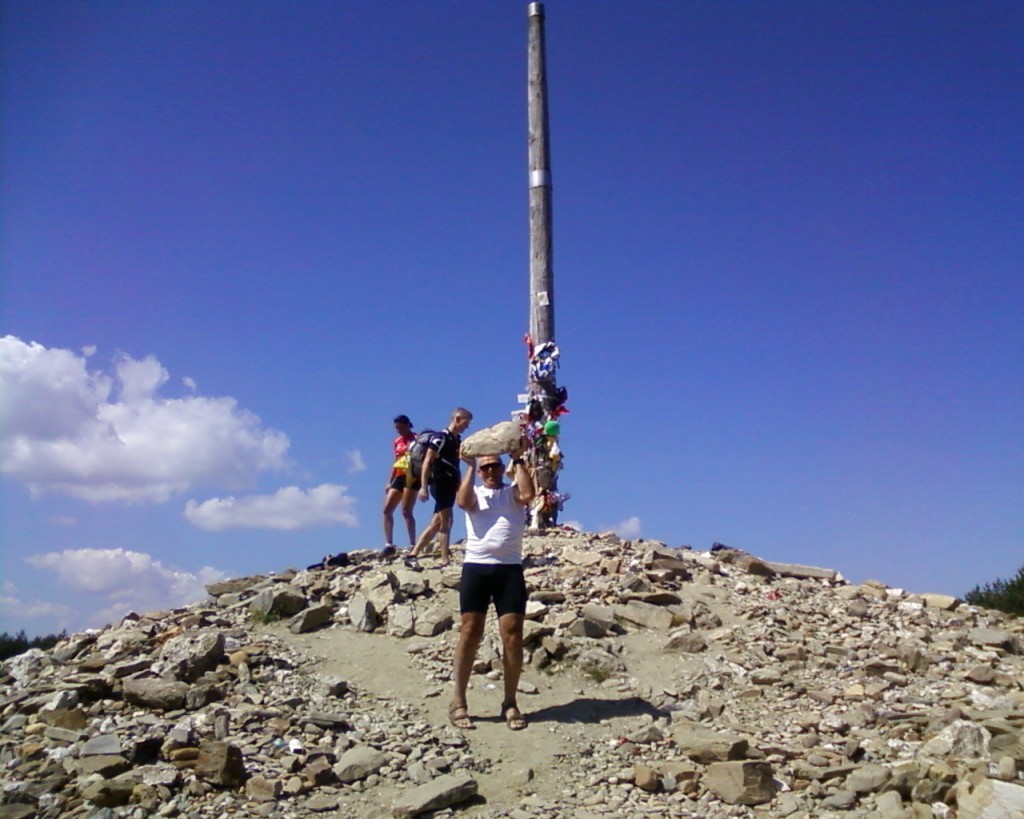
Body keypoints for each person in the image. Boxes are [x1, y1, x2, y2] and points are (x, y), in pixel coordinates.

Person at [448, 448, 535, 731]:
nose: (489, 472)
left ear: (502, 467)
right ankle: (458, 701)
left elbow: (529, 494)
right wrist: (471, 466)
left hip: (509, 569)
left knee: (512, 635)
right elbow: (462, 501)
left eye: (494, 466)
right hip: (477, 567)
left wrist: (517, 458)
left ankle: (510, 702)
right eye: (485, 468)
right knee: (470, 631)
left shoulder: (512, 493)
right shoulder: (475, 491)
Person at [408, 407, 472, 565]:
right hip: (440, 483)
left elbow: (456, 463)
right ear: (457, 419)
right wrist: (423, 486)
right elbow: (428, 461)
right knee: (447, 521)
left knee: (436, 523)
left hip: (450, 484)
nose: (467, 426)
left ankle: (412, 554)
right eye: (466, 422)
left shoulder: (457, 440)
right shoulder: (440, 437)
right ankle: (445, 560)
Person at [381, 414, 418, 553]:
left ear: (408, 425)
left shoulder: (417, 438)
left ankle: (413, 544)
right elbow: (396, 461)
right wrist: (390, 481)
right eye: (397, 428)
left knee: (406, 511)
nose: (399, 430)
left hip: (412, 475)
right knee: (387, 509)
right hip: (399, 475)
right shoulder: (397, 441)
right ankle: (389, 544)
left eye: (401, 427)